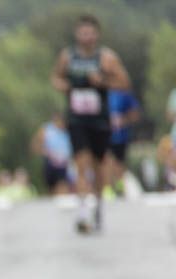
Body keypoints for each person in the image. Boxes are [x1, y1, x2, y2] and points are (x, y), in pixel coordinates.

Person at [50, 14, 132, 233]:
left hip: (100, 121)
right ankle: (83, 211)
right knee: (82, 163)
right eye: (82, 32)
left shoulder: (106, 58)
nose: (85, 37)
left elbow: (125, 82)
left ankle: (97, 204)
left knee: (98, 166)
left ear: (96, 35)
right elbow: (55, 78)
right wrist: (66, 86)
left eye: (89, 33)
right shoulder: (68, 57)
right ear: (77, 34)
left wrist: (103, 80)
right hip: (77, 119)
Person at [107, 87, 141, 195]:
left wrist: (123, 120)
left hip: (120, 137)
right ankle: (108, 188)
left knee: (118, 163)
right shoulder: (102, 92)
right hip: (103, 136)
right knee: (106, 161)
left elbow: (135, 114)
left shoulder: (124, 94)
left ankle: (120, 187)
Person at [31, 111, 72, 195]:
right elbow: (35, 145)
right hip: (50, 163)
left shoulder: (68, 131)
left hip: (64, 164)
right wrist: (45, 152)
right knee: (51, 188)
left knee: (62, 186)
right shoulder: (47, 129)